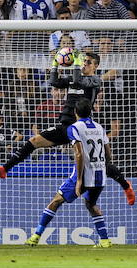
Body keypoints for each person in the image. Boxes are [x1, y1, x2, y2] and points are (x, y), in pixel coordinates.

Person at [0, 52, 136, 206]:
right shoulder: (73, 78)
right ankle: (4, 169)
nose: (84, 64)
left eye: (88, 62)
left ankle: (126, 185)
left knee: (97, 162)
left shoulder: (95, 81)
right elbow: (54, 82)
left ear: (96, 66)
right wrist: (55, 65)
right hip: (65, 126)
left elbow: (79, 81)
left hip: (81, 128)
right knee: (33, 141)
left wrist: (76, 63)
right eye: (83, 61)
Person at [24, 98, 114, 248]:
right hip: (100, 174)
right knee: (91, 204)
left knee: (56, 201)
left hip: (84, 174)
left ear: (75, 112)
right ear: (90, 112)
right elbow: (108, 153)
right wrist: (106, 167)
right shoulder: (100, 127)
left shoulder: (74, 128)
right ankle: (105, 240)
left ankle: (35, 236)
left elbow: (78, 153)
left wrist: (79, 180)